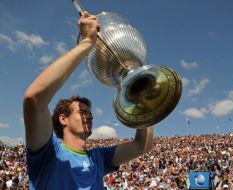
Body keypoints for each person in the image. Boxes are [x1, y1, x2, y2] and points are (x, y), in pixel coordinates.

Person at [23, 11, 153, 190]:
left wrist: (141, 98)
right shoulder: (49, 152)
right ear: (63, 119)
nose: (89, 117)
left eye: (90, 113)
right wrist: (86, 43)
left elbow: (141, 146)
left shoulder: (98, 158)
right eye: (82, 112)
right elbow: (34, 99)